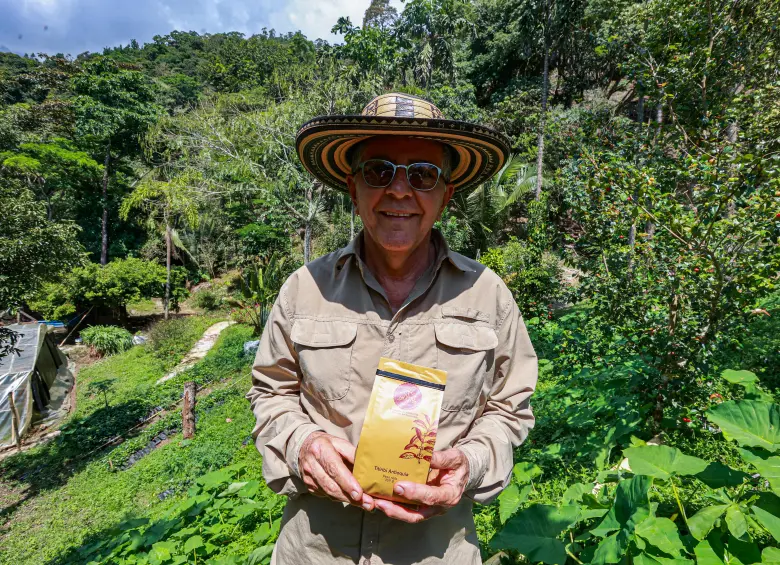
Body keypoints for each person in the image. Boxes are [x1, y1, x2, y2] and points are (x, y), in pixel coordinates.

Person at [247, 92, 538, 565]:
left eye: (422, 175)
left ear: (445, 196)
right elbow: (270, 392)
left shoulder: (488, 296)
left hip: (437, 553)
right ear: (353, 187)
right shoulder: (304, 290)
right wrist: (302, 444)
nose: (400, 191)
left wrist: (472, 463)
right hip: (315, 551)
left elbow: (510, 408)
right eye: (379, 171)